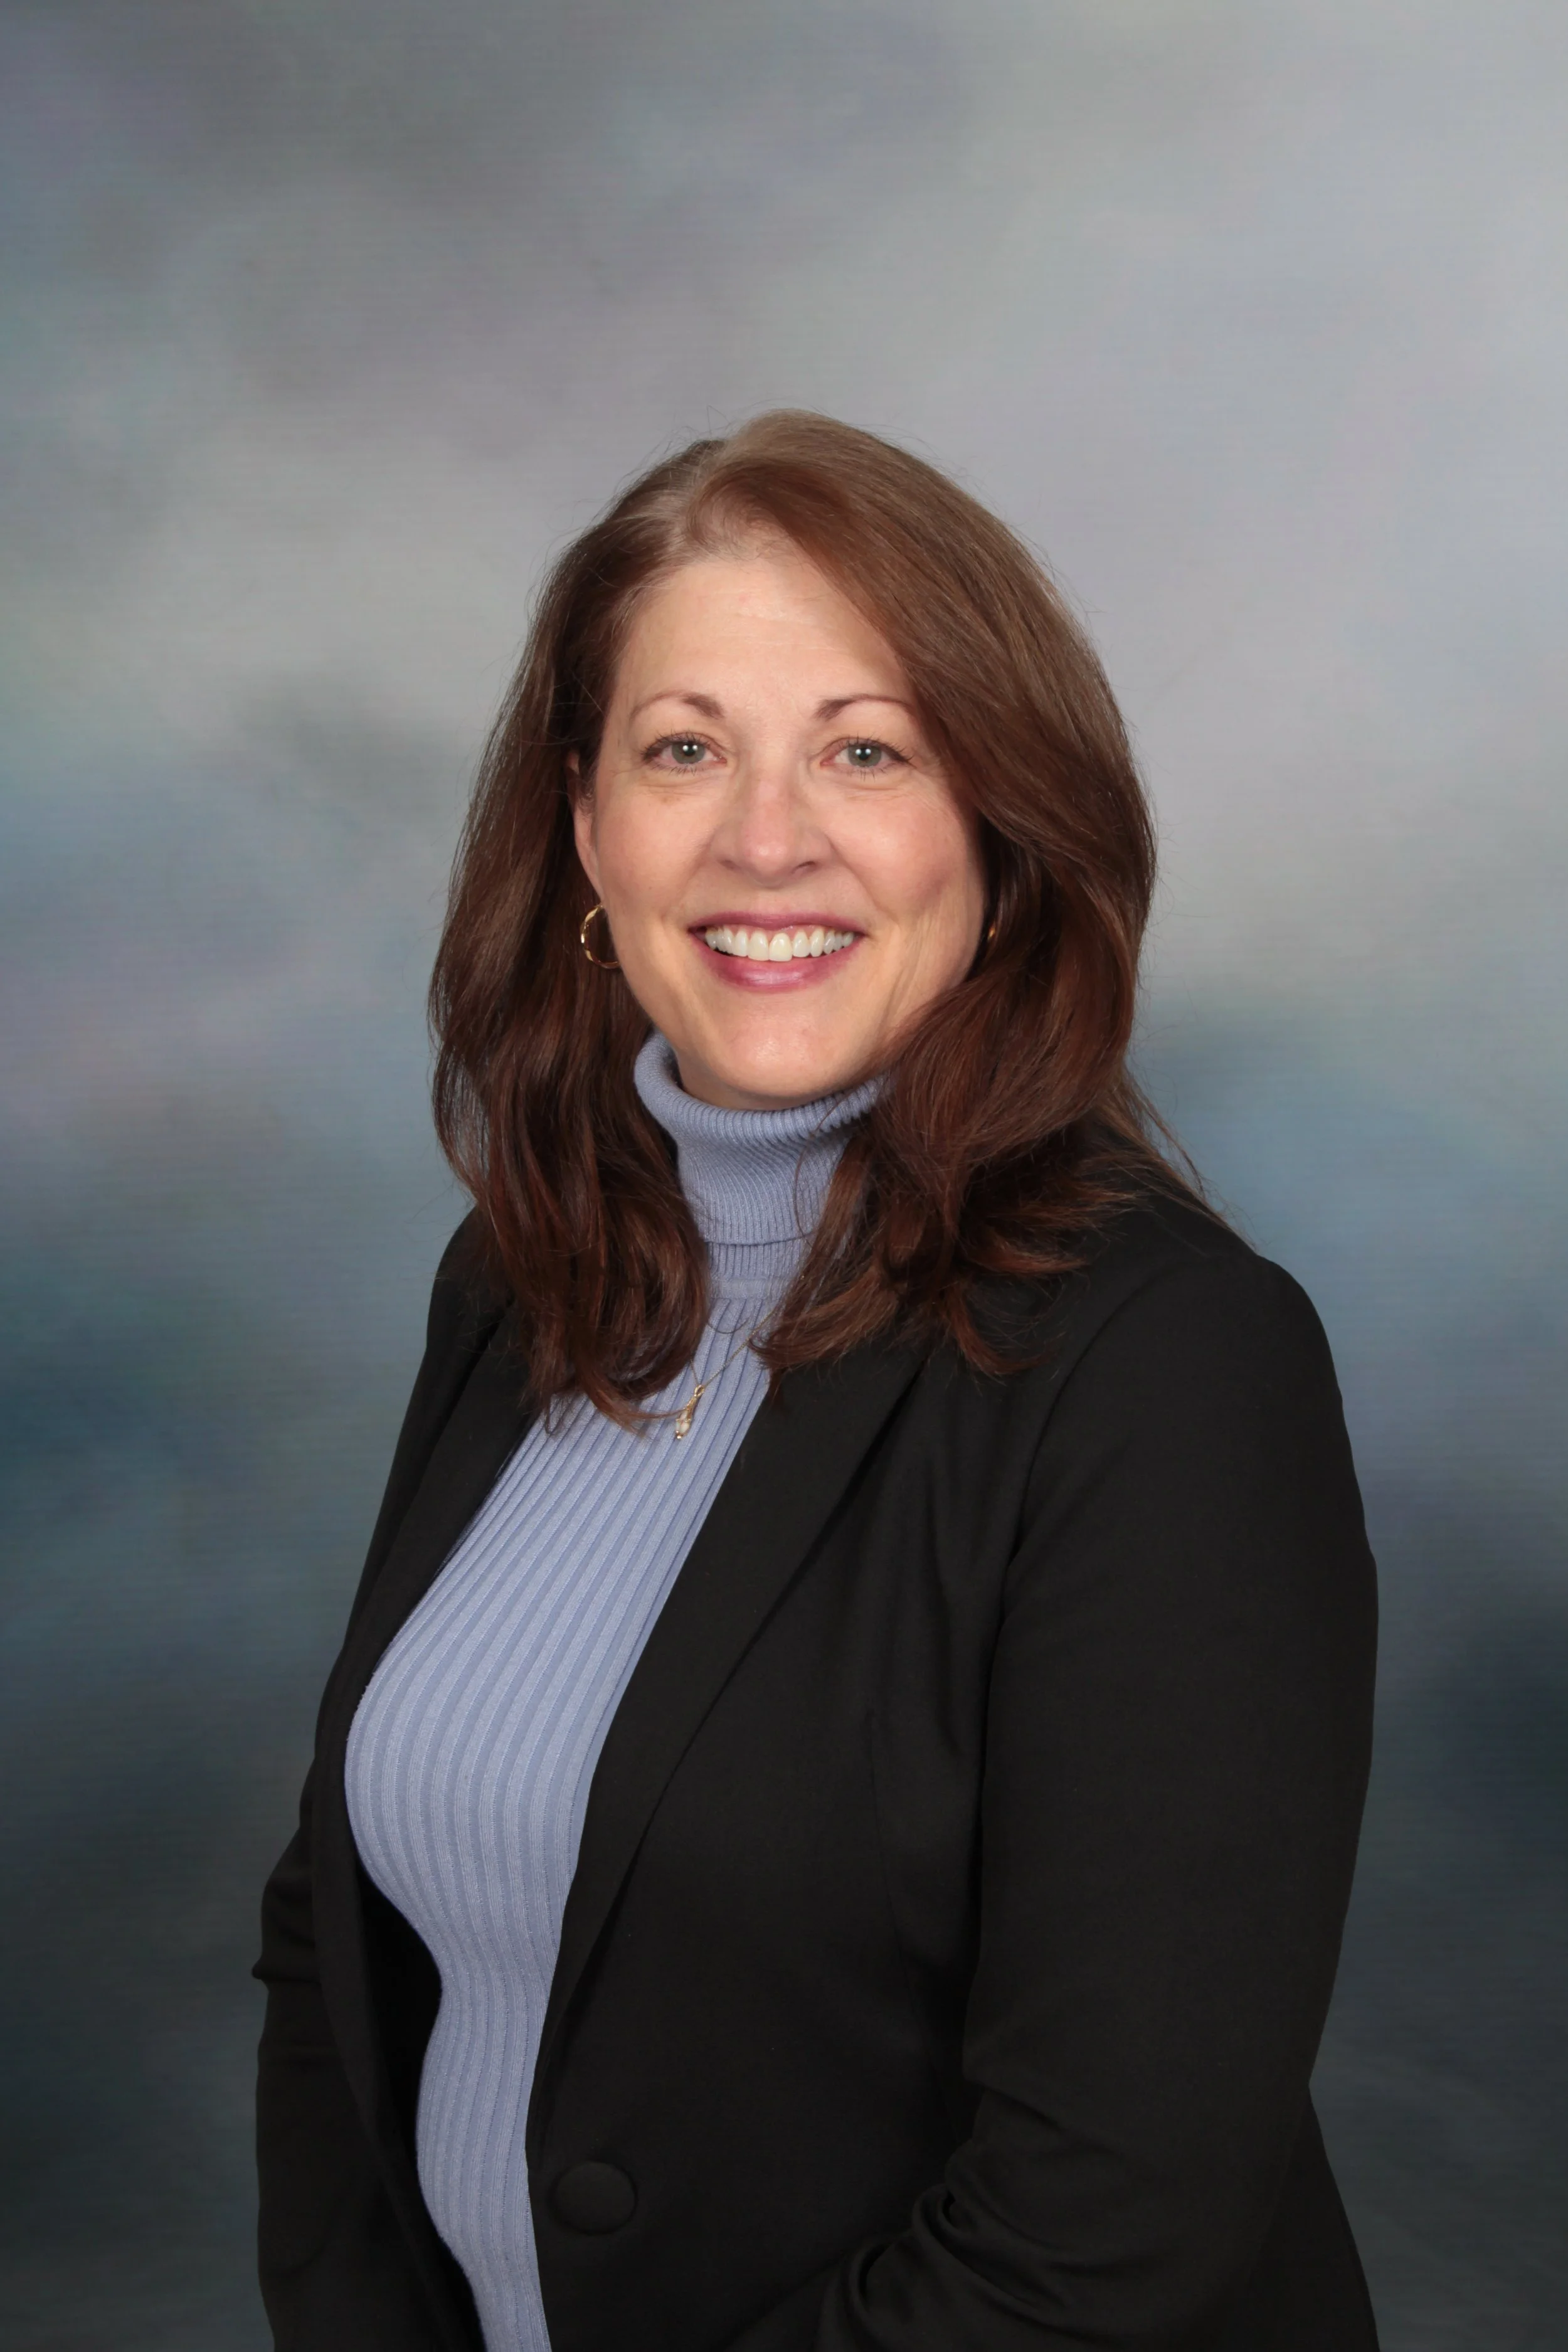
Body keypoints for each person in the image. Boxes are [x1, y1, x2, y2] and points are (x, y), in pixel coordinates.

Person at [254, 411, 1379, 2352]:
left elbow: (1102, 2227)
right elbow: (334, 1933)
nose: (766, 836)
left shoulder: (1170, 1367)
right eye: (683, 748)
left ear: (999, 836)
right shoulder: (522, 1283)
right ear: (587, 829)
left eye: (868, 750)